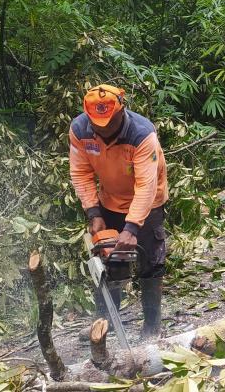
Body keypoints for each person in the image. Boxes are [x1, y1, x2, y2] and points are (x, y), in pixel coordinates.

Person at [70, 84, 169, 338]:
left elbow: (146, 185)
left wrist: (132, 227)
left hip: (148, 203)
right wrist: (94, 213)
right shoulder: (80, 130)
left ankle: (152, 327)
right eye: (97, 124)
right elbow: (81, 172)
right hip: (110, 200)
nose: (103, 129)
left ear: (121, 110)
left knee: (150, 262)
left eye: (108, 123)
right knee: (110, 261)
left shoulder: (142, 134)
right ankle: (105, 321)